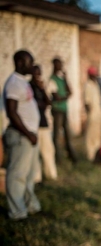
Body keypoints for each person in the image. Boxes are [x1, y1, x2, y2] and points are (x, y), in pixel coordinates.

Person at [2, 50, 42, 220]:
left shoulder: (23, 82)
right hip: (20, 136)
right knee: (17, 174)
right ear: (19, 62)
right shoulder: (13, 83)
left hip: (29, 136)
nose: (31, 66)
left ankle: (29, 206)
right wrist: (27, 133)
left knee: (29, 174)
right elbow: (12, 112)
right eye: (29, 62)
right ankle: (17, 212)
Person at [30, 65, 57, 182]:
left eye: (39, 73)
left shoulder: (41, 87)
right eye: (36, 73)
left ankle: (51, 174)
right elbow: (34, 105)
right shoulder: (28, 87)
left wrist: (42, 89)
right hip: (32, 125)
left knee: (48, 150)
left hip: (43, 123)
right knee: (34, 154)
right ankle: (36, 177)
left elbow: (48, 102)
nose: (38, 76)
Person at [48, 57, 77, 164]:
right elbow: (57, 97)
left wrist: (66, 79)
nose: (61, 66)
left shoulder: (61, 79)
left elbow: (70, 92)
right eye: (59, 64)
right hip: (57, 110)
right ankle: (57, 158)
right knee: (56, 135)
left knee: (67, 134)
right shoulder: (52, 80)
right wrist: (65, 96)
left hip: (64, 109)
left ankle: (72, 156)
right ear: (55, 65)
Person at [84, 66, 101, 161]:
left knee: (98, 135)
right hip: (92, 114)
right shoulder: (88, 85)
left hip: (99, 114)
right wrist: (90, 114)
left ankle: (97, 155)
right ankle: (91, 156)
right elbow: (87, 102)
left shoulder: (96, 84)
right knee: (91, 136)